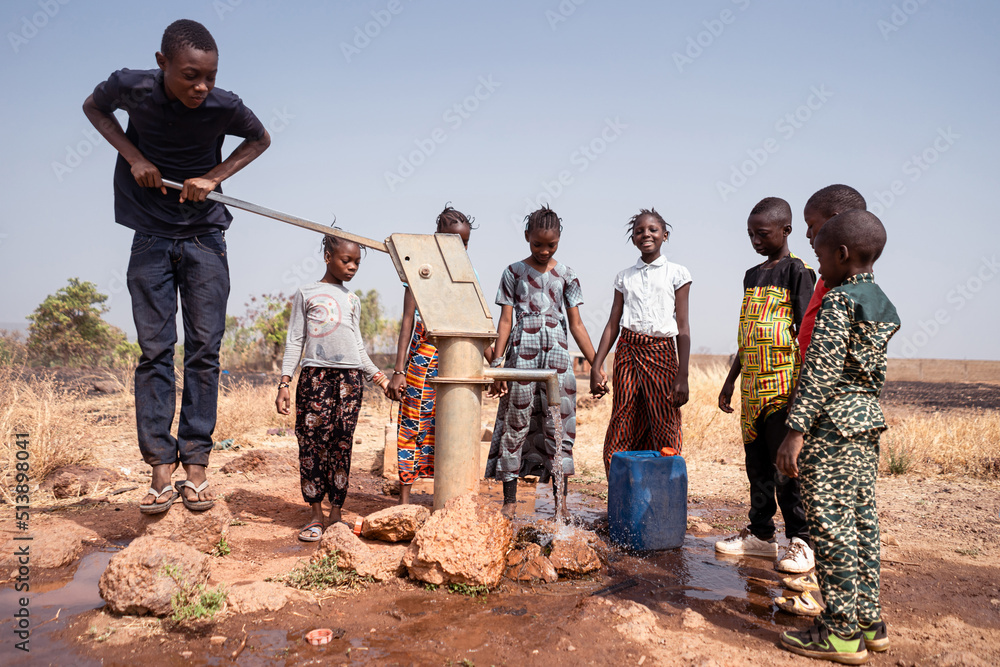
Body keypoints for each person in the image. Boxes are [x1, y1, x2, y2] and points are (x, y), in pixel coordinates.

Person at [83, 19, 271, 514]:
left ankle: (197, 472)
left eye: (208, 76)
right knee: (154, 351)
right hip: (150, 235)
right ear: (163, 64)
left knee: (205, 351)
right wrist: (133, 157)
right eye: (190, 75)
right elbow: (93, 107)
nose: (201, 86)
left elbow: (260, 139)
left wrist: (213, 176)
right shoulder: (132, 86)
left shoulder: (223, 104)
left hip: (206, 235)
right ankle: (160, 474)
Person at [776, 209, 899, 664]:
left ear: (843, 254)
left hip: (832, 425)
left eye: (821, 256)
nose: (818, 266)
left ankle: (841, 633)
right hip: (866, 421)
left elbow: (821, 372)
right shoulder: (877, 299)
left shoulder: (839, 301)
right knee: (862, 522)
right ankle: (870, 621)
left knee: (830, 527)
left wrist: (794, 433)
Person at [716, 197, 817, 575]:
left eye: (762, 233)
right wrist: (730, 381)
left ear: (785, 231)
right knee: (756, 467)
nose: (755, 240)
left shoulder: (798, 272)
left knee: (786, 469)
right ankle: (760, 536)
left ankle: (801, 541)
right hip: (752, 390)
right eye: (750, 234)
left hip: (783, 385)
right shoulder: (751, 275)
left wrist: (804, 395)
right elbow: (749, 335)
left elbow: (807, 335)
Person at [485, 206, 598, 519]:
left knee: (558, 428)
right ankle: (509, 502)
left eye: (551, 245)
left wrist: (597, 365)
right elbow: (505, 321)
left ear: (559, 239)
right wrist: (498, 366)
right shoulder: (513, 272)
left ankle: (561, 506)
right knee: (515, 425)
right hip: (521, 358)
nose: (544, 250)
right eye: (538, 244)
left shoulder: (568, 275)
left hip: (558, 362)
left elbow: (576, 324)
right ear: (527, 238)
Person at [276, 234, 390, 542]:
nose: (352, 267)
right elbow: (295, 340)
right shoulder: (307, 293)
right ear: (328, 256)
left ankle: (336, 512)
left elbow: (358, 347)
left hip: (350, 382)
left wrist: (381, 379)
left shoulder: (352, 300)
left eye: (357, 263)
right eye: (346, 260)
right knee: (312, 444)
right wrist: (285, 381)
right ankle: (315, 513)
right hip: (315, 378)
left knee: (342, 444)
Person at [385, 206, 477, 505]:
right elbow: (407, 323)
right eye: (453, 242)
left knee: (451, 429)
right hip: (422, 363)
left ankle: (446, 497)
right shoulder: (420, 273)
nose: (458, 249)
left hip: (457, 360)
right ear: (438, 240)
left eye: (463, 244)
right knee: (413, 426)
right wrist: (398, 370)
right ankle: (404, 499)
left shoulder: (467, 276)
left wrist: (491, 363)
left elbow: (474, 322)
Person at [590, 209, 691, 473]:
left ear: (665, 236)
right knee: (623, 417)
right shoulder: (625, 276)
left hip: (661, 353)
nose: (645, 234)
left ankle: (664, 490)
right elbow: (613, 322)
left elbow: (682, 326)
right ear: (633, 239)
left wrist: (683, 374)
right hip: (627, 351)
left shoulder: (677, 273)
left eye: (653, 230)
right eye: (639, 231)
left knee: (664, 419)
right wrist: (596, 365)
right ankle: (621, 491)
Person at [797, 185, 868, 354]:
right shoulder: (830, 274)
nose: (807, 234)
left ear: (833, 221)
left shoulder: (846, 278)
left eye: (811, 225)